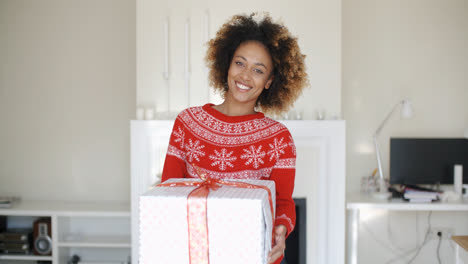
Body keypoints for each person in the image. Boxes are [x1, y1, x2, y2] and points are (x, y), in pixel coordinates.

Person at [161, 12, 308, 264]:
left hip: (253, 254)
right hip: (198, 253)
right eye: (240, 63)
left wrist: (281, 231)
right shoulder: (187, 123)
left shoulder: (279, 139)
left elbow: (282, 203)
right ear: (227, 64)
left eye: (258, 70)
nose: (245, 76)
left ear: (270, 81)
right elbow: (169, 191)